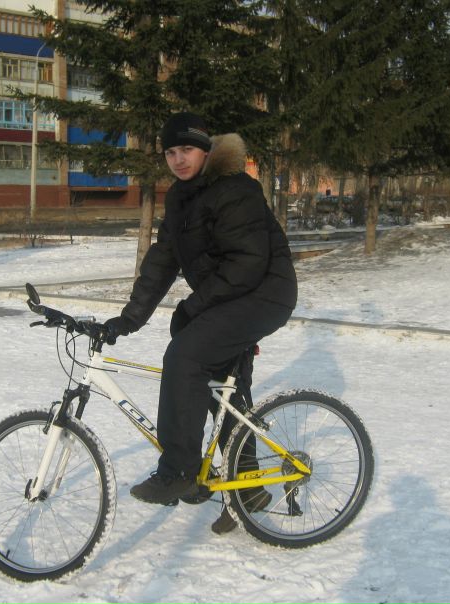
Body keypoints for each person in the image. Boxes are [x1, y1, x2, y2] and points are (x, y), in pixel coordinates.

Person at [104, 112, 298, 532]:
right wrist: (127, 320)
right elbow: (161, 262)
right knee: (222, 385)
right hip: (231, 294)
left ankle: (178, 470)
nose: (178, 159)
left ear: (206, 151)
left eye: (186, 149)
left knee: (186, 355)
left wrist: (196, 305)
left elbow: (248, 263)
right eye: (170, 152)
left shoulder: (234, 190)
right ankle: (247, 488)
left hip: (264, 292)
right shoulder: (180, 198)